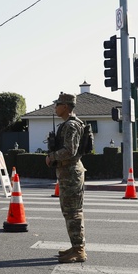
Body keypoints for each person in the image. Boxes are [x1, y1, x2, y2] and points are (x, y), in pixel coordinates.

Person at [45, 92, 88, 263]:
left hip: (71, 173)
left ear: (65, 106)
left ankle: (79, 250)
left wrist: (51, 157)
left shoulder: (71, 126)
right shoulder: (69, 124)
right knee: (69, 212)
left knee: (73, 212)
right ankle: (75, 246)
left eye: (57, 104)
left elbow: (70, 151)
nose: (55, 107)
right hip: (67, 172)